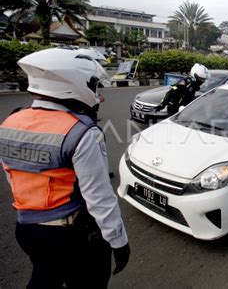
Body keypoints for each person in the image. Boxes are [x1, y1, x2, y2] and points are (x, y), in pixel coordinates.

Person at [0, 48, 130, 288]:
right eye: (94, 85)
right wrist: (119, 242)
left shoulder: (10, 121)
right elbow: (99, 198)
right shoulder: (82, 132)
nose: (98, 93)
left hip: (26, 229)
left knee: (44, 276)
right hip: (71, 236)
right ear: (74, 83)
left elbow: (13, 175)